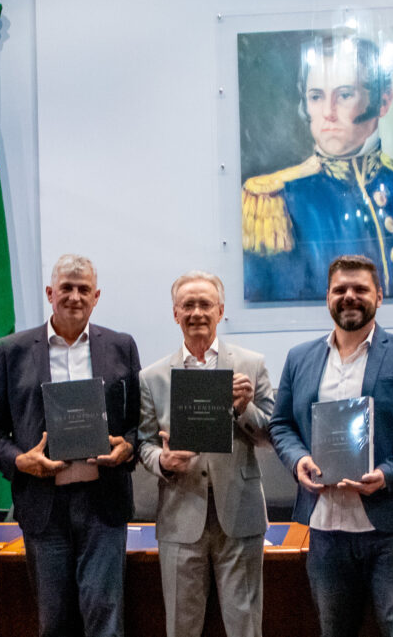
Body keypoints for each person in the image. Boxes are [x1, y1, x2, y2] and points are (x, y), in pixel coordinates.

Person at [268, 254, 393, 637]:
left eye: (360, 289)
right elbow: (281, 424)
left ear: (379, 297)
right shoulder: (300, 358)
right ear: (328, 297)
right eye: (340, 289)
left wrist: (388, 473)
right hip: (325, 527)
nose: (349, 296)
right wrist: (297, 459)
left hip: (392, 526)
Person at [0, 254, 142, 637]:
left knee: (105, 618)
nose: (74, 296)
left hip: (103, 504)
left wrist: (127, 448)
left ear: (96, 296)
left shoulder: (121, 346)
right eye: (65, 288)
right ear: (50, 293)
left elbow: (138, 424)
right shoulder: (12, 350)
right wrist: (21, 461)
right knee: (54, 622)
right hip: (43, 507)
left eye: (83, 288)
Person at [241, 34, 393, 301]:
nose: (328, 112)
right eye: (316, 97)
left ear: (383, 101)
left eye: (344, 95)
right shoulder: (273, 200)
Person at [136, 271, 275, 637]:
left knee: (245, 626)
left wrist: (244, 408)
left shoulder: (251, 364)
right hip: (180, 514)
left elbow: (273, 434)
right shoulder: (152, 377)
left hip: (240, 513)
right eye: (188, 305)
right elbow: (143, 444)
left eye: (205, 304)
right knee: (181, 626)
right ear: (175, 313)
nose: (197, 312)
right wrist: (162, 461)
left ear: (221, 310)